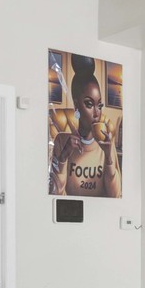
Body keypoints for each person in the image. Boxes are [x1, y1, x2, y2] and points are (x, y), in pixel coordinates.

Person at [49, 54, 121, 197]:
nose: (96, 113)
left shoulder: (106, 144)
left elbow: (116, 196)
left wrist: (108, 158)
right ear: (77, 106)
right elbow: (54, 194)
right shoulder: (61, 141)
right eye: (89, 104)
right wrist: (63, 157)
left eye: (99, 105)